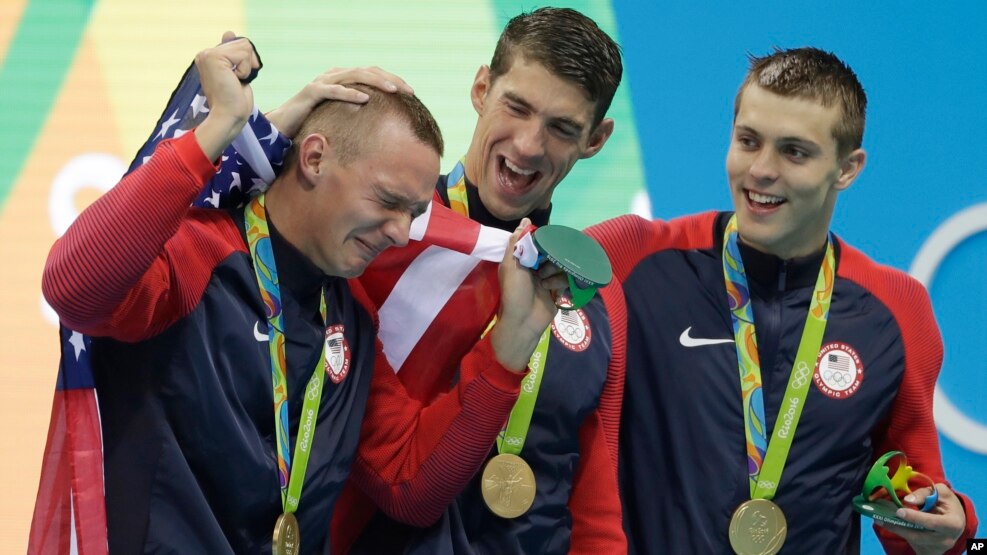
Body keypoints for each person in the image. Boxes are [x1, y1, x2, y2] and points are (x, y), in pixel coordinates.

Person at [40, 33, 564, 553]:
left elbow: (409, 485)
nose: (402, 233)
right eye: (387, 201)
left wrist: (510, 346)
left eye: (413, 212)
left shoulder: (350, 316)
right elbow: (73, 287)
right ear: (314, 159)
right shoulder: (196, 256)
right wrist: (220, 129)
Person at [586, 47, 979, 553]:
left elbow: (914, 502)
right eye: (748, 141)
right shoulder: (634, 259)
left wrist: (960, 536)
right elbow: (503, 272)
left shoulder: (896, 310)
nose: (761, 171)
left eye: (794, 152)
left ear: (847, 168)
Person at [325, 7, 628, 554]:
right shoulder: (378, 244)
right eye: (517, 107)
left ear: (596, 140)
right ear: (481, 88)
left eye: (561, 128)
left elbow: (593, 498)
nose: (530, 145)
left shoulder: (593, 295)